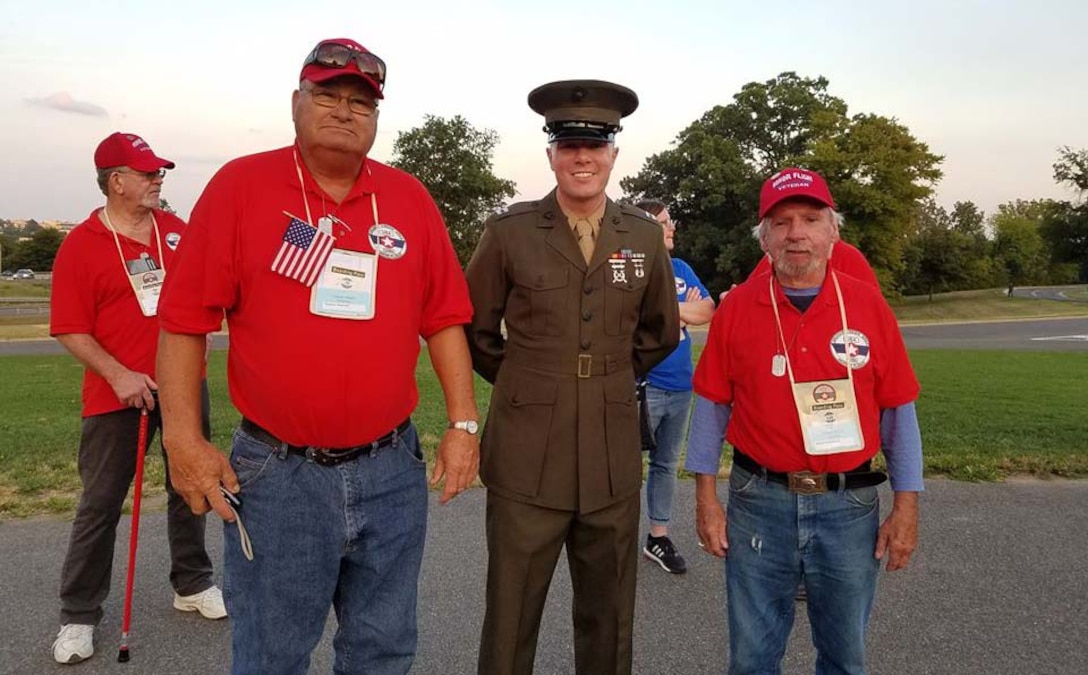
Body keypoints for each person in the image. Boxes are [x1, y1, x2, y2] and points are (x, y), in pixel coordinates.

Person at [155, 38, 480, 674]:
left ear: (376, 117)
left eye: (362, 101)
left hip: (391, 469)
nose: (344, 110)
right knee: (272, 654)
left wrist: (463, 424)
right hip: (280, 474)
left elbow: (444, 319)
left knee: (384, 649)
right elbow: (183, 324)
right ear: (296, 103)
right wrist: (183, 441)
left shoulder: (407, 198)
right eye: (327, 94)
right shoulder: (241, 187)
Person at [465, 80, 680, 675]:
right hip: (526, 453)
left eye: (595, 145)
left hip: (610, 452)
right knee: (510, 618)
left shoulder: (642, 235)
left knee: (609, 620)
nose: (582, 157)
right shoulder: (509, 231)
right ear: (551, 154)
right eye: (569, 145)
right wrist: (530, 381)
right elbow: (474, 330)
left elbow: (660, 330)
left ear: (614, 153)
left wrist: (605, 379)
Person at [685, 166, 924, 675]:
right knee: (752, 659)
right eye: (782, 222)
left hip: (848, 506)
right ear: (764, 238)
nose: (797, 233)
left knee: (844, 658)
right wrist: (705, 500)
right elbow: (711, 408)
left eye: (811, 219)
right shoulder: (738, 309)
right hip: (759, 501)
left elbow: (898, 412)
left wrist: (906, 507)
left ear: (833, 231)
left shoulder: (867, 305)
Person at [48, 132, 225, 665]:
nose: (157, 180)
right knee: (100, 505)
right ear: (116, 181)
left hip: (184, 387)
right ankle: (79, 615)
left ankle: (192, 582)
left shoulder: (175, 231)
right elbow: (69, 327)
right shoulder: (82, 244)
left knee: (189, 485)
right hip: (118, 396)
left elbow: (204, 293)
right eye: (147, 173)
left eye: (158, 172)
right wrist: (119, 374)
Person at [633, 199, 715, 575]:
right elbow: (631, 316)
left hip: (682, 385)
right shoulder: (631, 267)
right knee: (624, 466)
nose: (672, 227)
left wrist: (665, 309)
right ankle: (613, 538)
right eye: (665, 222)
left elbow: (707, 310)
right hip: (643, 385)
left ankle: (658, 537)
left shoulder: (680, 268)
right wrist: (682, 308)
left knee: (666, 464)